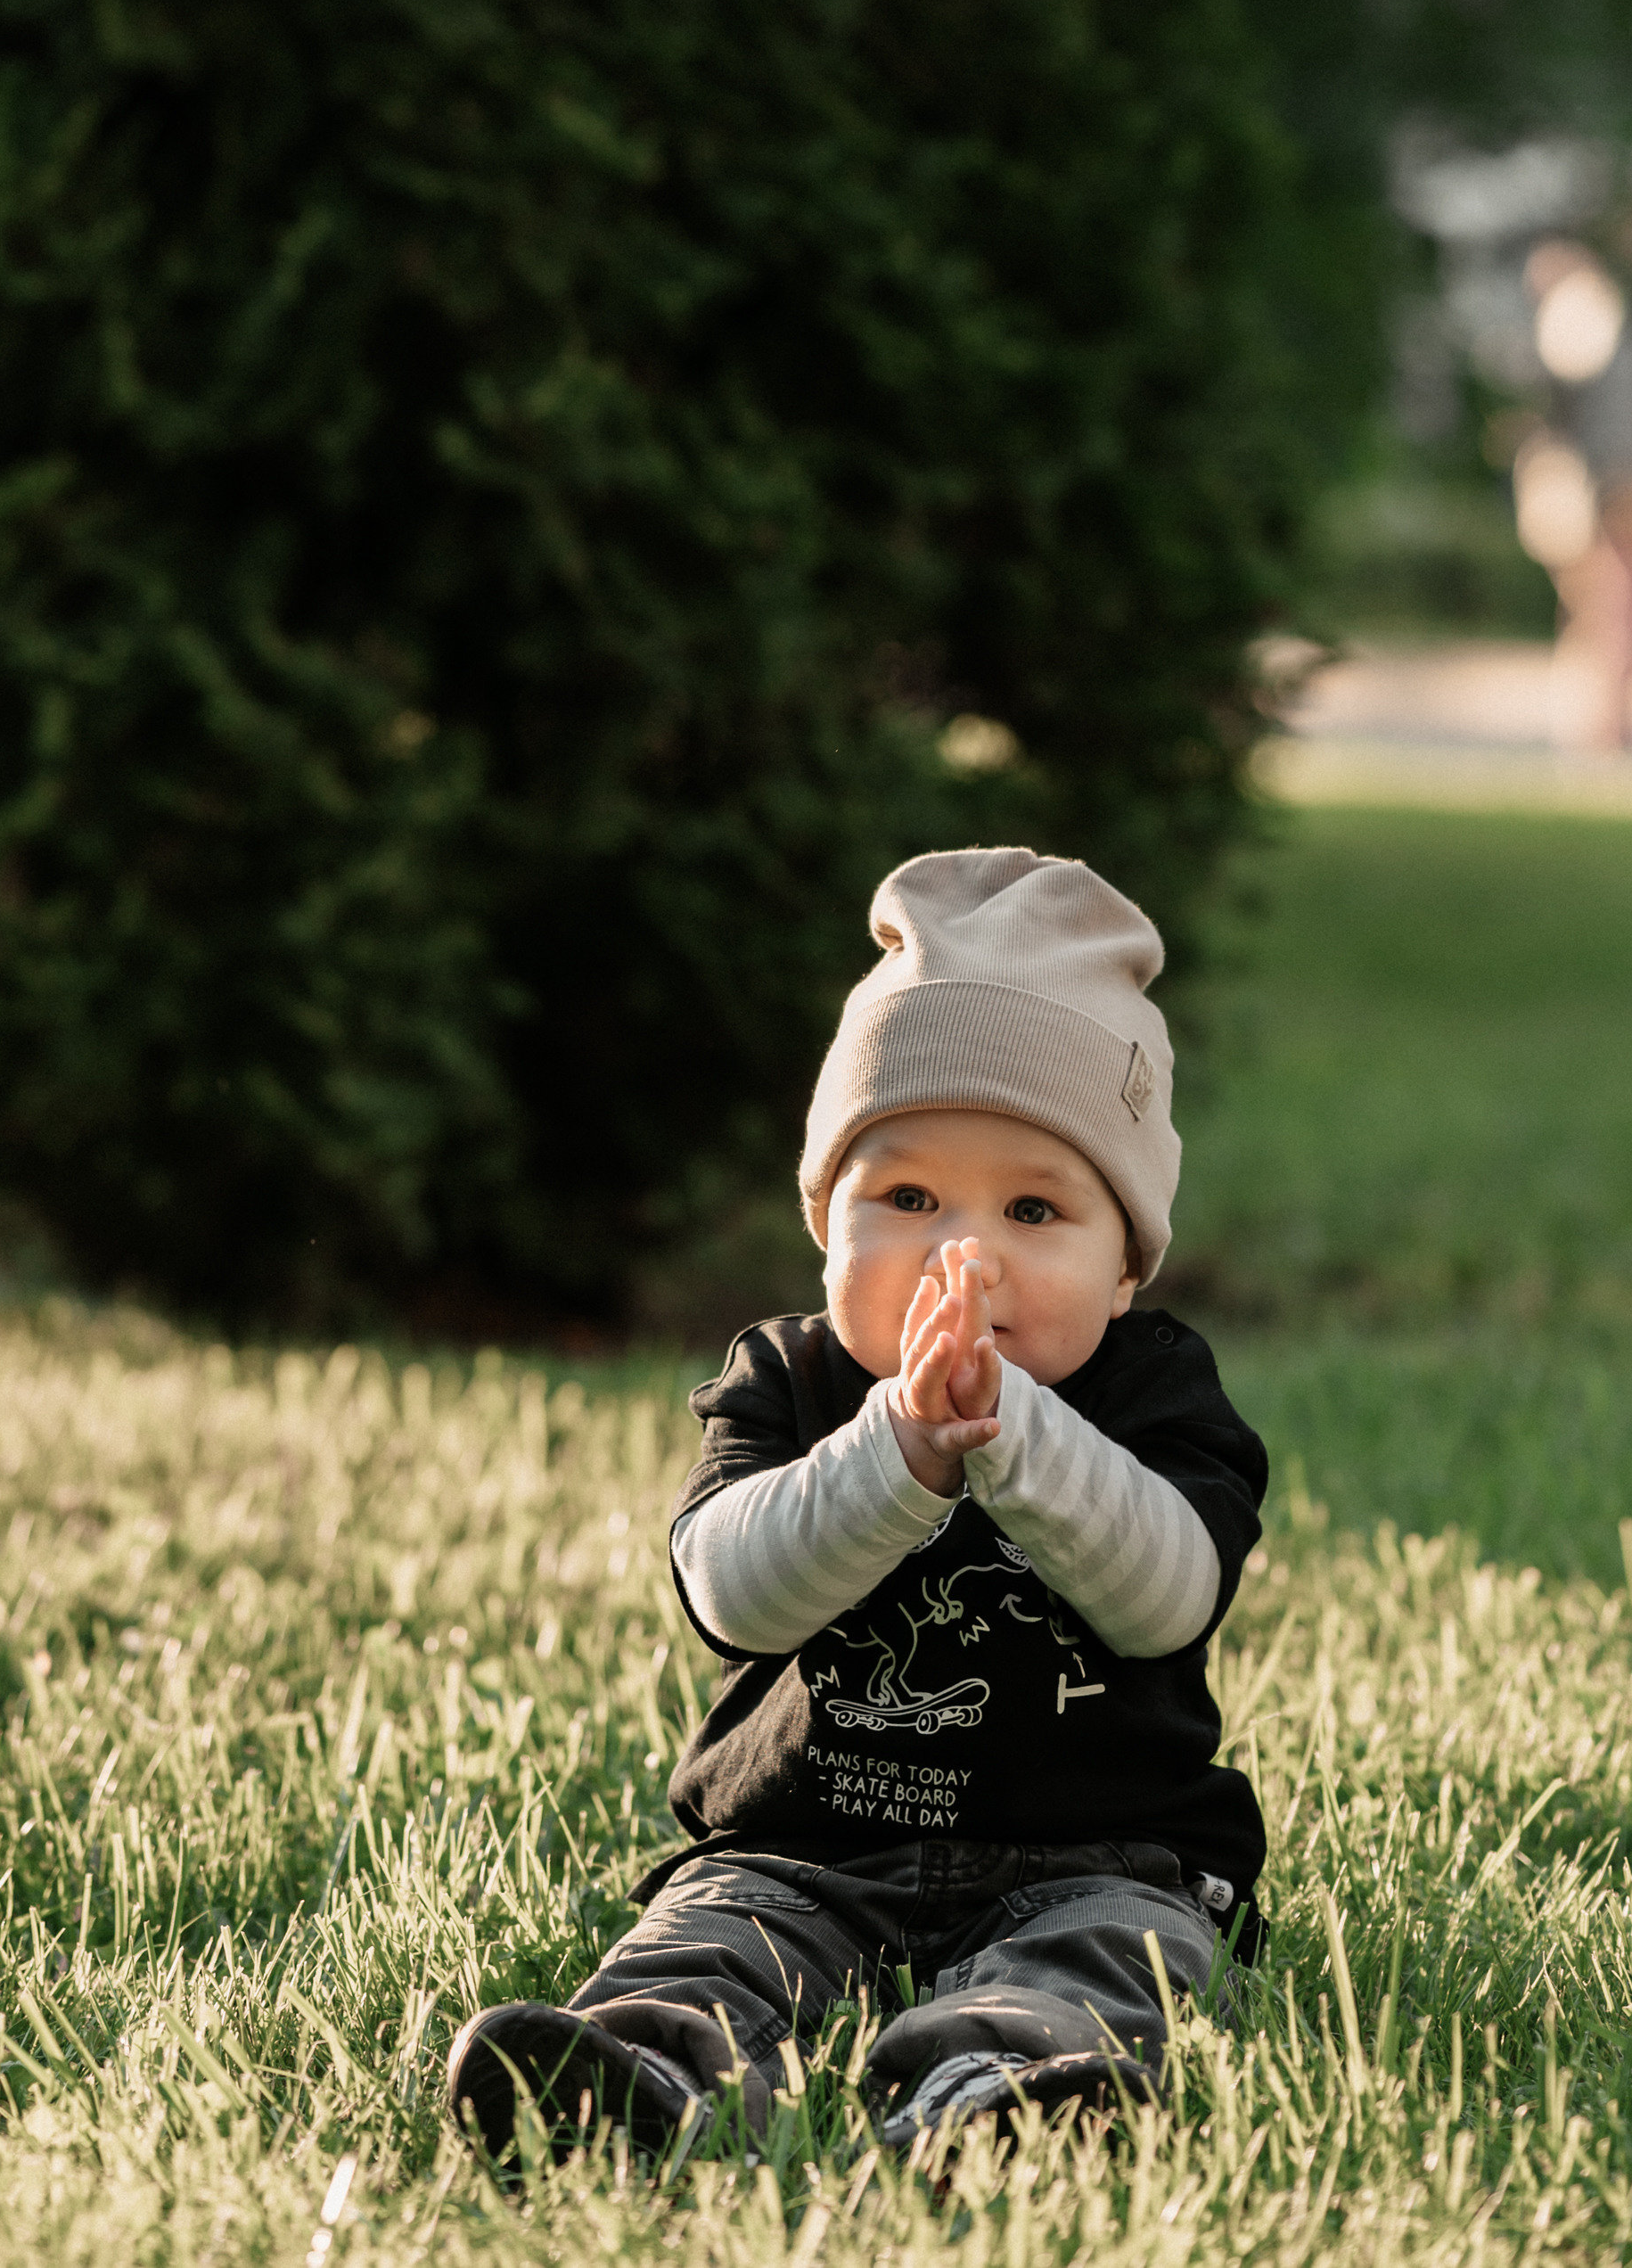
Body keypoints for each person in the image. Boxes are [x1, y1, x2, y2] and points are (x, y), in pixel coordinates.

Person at [446, 847, 1267, 2158]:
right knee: (705, 1943)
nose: (966, 1251)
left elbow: (1164, 1598)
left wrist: (1015, 1438)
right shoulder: (786, 1376)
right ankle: (636, 2083)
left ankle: (1005, 2097)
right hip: (800, 1845)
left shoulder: (1155, 1387)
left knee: (1119, 1959)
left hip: (1098, 1854)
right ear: (824, 1220)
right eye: (905, 1196)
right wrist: (898, 1444)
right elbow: (730, 1589)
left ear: (1124, 1270)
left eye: (1035, 1207)